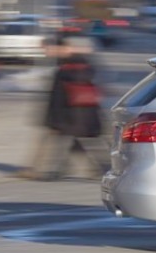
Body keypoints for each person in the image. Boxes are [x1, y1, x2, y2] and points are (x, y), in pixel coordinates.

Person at [17, 35, 109, 180]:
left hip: (74, 115)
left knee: (68, 142)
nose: (47, 52)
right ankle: (92, 168)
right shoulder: (66, 64)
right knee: (77, 143)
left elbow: (66, 93)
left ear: (62, 48)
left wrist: (54, 117)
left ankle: (44, 170)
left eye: (48, 49)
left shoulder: (74, 65)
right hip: (74, 115)